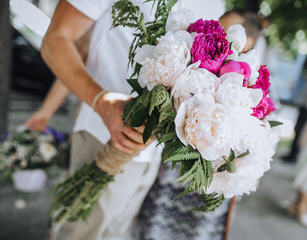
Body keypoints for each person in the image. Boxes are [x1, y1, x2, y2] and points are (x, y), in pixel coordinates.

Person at [32, 1, 167, 240]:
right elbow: (60, 40)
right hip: (101, 135)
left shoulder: (215, 5)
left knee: (116, 233)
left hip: (152, 155)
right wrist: (100, 101)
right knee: (77, 233)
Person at [136, 9, 267, 240]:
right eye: (219, 28)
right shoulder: (193, 69)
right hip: (167, 183)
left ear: (249, 41)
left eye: (227, 32)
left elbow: (256, 154)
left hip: (208, 188)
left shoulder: (257, 89)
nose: (220, 37)